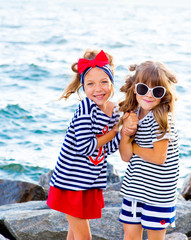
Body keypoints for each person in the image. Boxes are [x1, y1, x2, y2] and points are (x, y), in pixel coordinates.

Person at [47, 49, 135, 240]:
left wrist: (125, 131)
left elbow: (108, 149)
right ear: (83, 87)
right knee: (84, 237)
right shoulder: (85, 109)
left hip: (88, 182)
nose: (98, 89)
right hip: (70, 183)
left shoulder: (112, 111)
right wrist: (115, 131)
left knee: (74, 235)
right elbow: (85, 147)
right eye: (90, 84)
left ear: (112, 82)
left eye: (104, 81)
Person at [118, 61, 180, 240]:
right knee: (130, 235)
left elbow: (159, 157)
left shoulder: (162, 119)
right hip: (135, 187)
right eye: (144, 89)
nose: (149, 95)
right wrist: (126, 134)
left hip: (159, 193)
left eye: (157, 91)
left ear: (164, 94)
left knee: (155, 237)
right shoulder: (133, 114)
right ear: (135, 88)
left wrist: (134, 146)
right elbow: (125, 156)